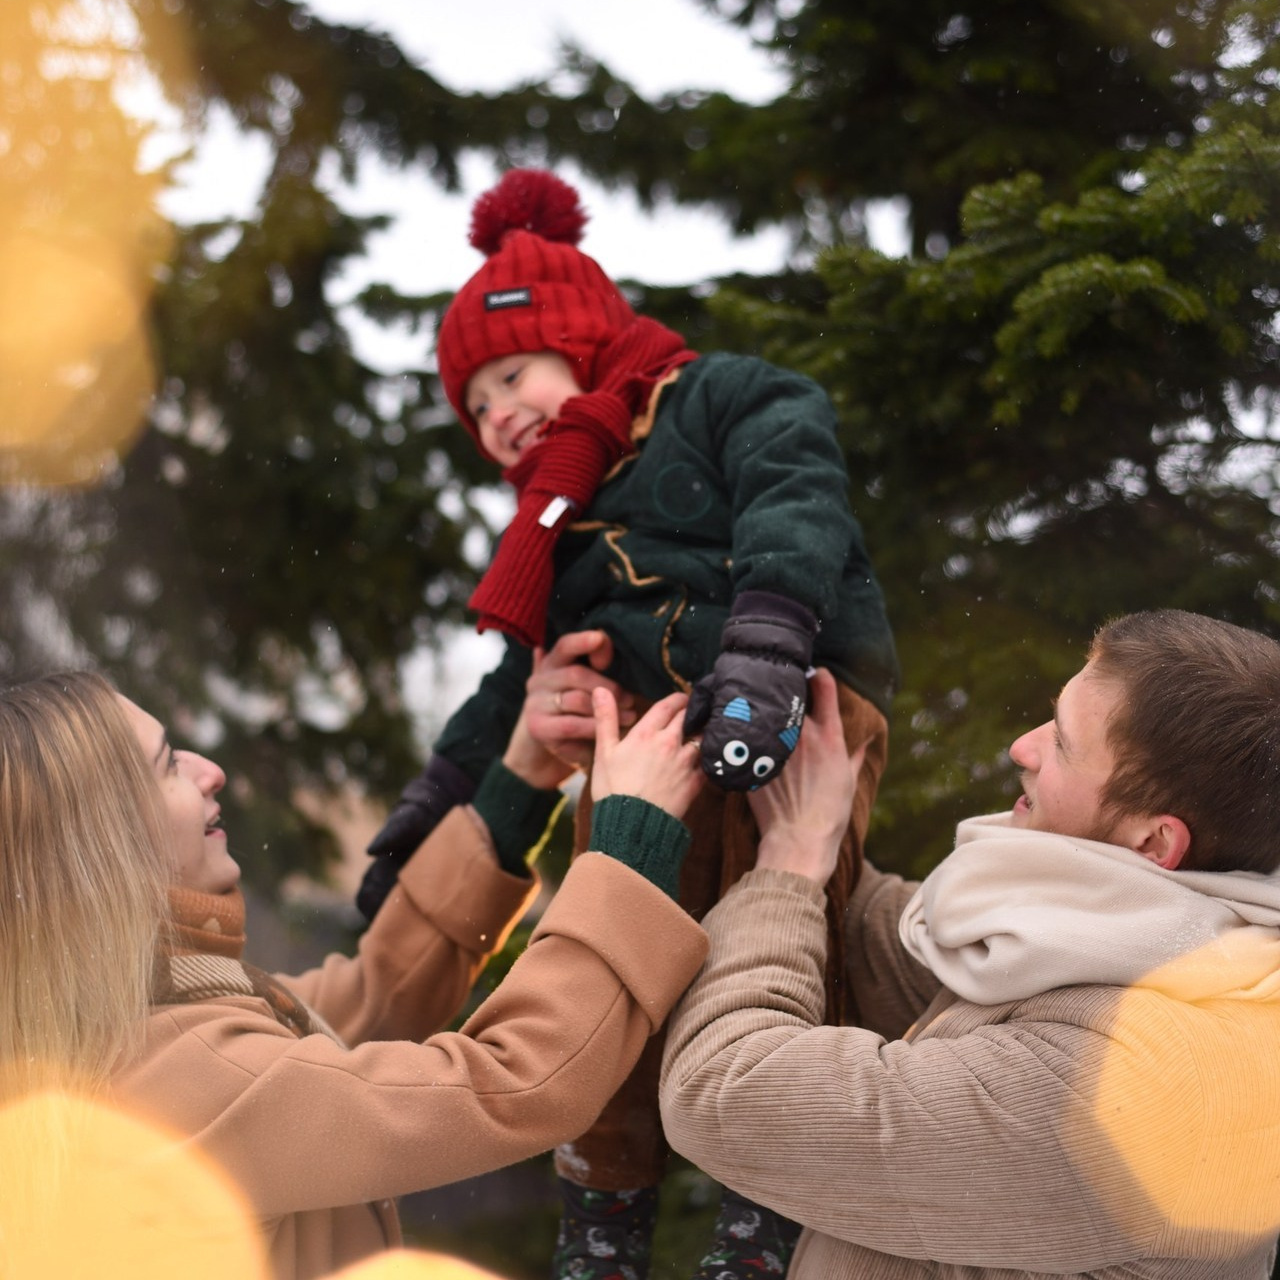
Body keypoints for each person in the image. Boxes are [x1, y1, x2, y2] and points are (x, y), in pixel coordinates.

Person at [357, 166, 899, 1280]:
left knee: (786, 922)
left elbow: (794, 499)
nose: (496, 413)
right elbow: (515, 684)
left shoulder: (721, 400)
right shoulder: (552, 523)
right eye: (475, 406)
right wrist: (434, 810)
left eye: (510, 375)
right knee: (607, 951)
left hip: (793, 707)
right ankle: (603, 1216)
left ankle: (767, 1210)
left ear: (580, 337)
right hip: (646, 748)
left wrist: (765, 645)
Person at [0, 650, 708, 1280]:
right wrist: (628, 845)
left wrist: (518, 785)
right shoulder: (186, 1084)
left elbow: (371, 999)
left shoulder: (121, 1031)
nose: (210, 771)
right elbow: (515, 1084)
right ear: (103, 848)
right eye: (167, 767)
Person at [660, 609, 1280, 1280]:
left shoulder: (1154, 1084)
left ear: (1155, 842)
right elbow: (884, 947)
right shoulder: (1169, 945)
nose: (1023, 747)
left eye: (1064, 746)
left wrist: (791, 860)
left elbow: (724, 1092)